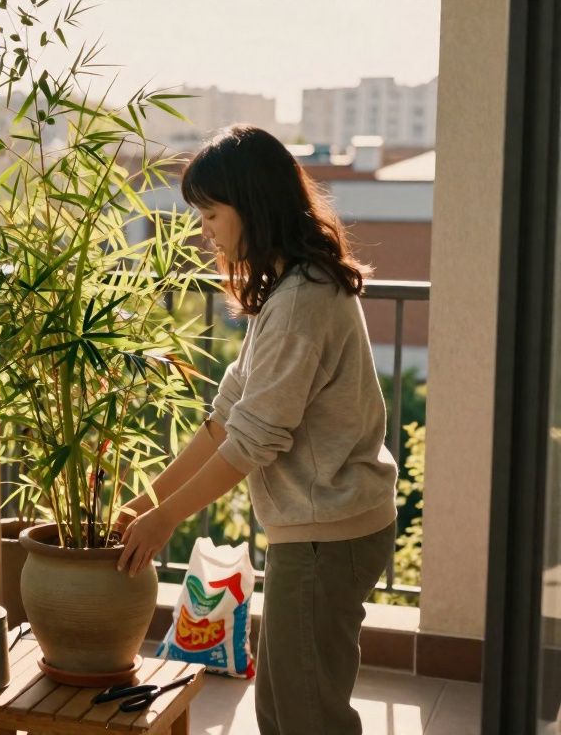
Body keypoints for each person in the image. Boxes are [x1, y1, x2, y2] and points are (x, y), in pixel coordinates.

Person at [112, 124, 399, 735]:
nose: (204, 230)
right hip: (321, 528)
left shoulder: (300, 303)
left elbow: (250, 442)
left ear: (253, 207)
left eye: (212, 214)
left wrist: (164, 520)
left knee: (302, 716)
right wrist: (149, 500)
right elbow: (227, 418)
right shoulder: (292, 289)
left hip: (328, 534)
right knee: (288, 708)